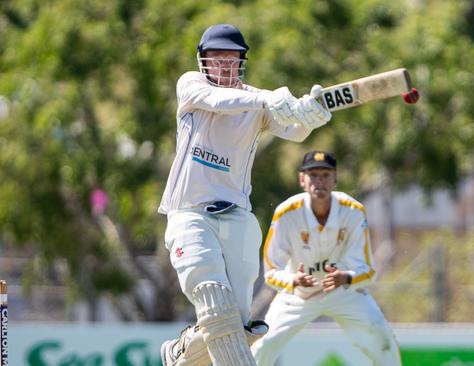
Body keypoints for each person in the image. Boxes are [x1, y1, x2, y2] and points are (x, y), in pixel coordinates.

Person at [158, 24, 332, 366]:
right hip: (189, 213)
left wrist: (311, 117)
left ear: (242, 62)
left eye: (231, 58)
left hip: (236, 215)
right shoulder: (191, 86)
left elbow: (294, 132)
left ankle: (181, 354)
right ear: (203, 60)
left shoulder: (256, 101)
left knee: (236, 324)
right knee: (213, 298)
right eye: (216, 58)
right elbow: (219, 101)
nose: (224, 65)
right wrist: (268, 97)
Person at [251, 151, 402, 366]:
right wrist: (294, 281)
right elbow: (270, 272)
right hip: (299, 295)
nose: (319, 181)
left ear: (335, 179)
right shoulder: (286, 213)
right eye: (313, 175)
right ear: (302, 179)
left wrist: (347, 278)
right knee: (263, 346)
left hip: (342, 293)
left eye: (325, 174)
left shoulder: (353, 210)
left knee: (382, 338)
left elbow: (368, 270)